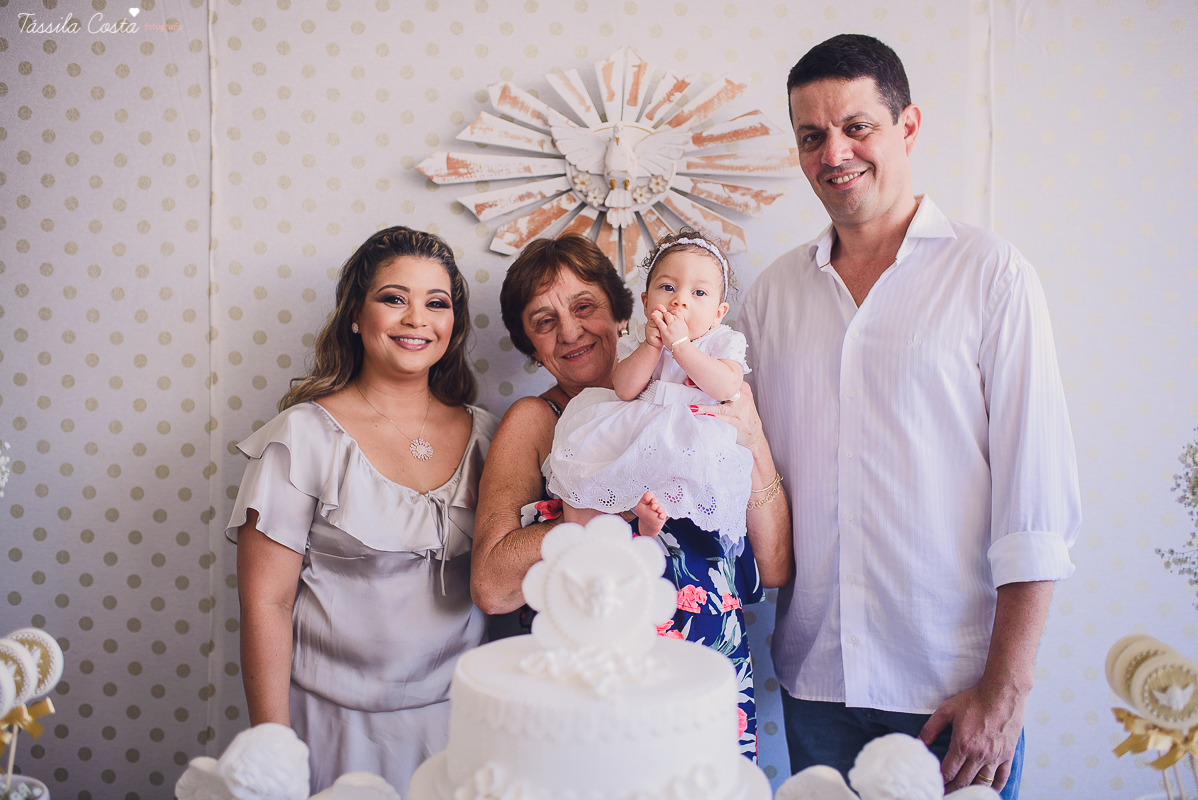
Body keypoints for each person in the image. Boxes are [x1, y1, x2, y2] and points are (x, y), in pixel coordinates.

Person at [739, 34, 1080, 798]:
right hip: (814, 684)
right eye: (811, 136)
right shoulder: (771, 298)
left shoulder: (991, 275)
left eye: (857, 126)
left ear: (909, 127)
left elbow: (1037, 507)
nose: (835, 154)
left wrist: (1006, 692)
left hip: (952, 694)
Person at [471, 233, 793, 759]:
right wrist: (606, 510)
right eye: (544, 322)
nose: (570, 330)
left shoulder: (705, 397)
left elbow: (774, 566)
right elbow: (491, 587)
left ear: (624, 313)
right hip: (595, 684)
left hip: (705, 673)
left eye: (584, 307)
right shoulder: (536, 422)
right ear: (532, 348)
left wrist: (750, 436)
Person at [226, 226, 498, 793]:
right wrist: (273, 750)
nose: (416, 319)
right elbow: (266, 602)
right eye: (394, 298)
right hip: (330, 725)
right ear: (355, 314)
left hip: (464, 726)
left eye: (436, 303)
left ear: (454, 324)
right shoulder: (303, 436)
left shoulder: (489, 438)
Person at [544, 228, 754, 553]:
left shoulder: (721, 340)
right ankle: (590, 542)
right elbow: (625, 389)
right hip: (637, 422)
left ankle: (652, 525)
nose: (679, 299)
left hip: (690, 432)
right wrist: (650, 346)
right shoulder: (639, 338)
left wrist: (683, 348)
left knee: (687, 486)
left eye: (699, 293)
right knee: (591, 469)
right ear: (645, 302)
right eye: (667, 287)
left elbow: (728, 386)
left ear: (718, 313)